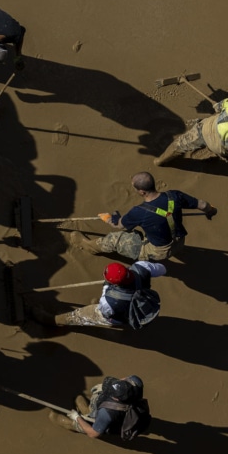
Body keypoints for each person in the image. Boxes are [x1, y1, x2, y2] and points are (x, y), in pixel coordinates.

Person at [69, 172, 218, 261]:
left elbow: (120, 225)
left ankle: (88, 247)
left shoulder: (139, 211)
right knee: (143, 232)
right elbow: (203, 204)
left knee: (115, 239)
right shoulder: (174, 195)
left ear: (142, 192)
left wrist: (108, 218)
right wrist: (210, 211)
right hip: (179, 242)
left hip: (159, 251)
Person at [30, 261, 165, 329]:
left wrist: (106, 286)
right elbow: (162, 269)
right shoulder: (141, 267)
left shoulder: (109, 300)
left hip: (114, 314)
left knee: (81, 315)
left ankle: (52, 320)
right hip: (142, 300)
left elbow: (104, 310)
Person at [49, 375, 146, 438]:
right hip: (134, 414)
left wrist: (77, 417)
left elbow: (93, 433)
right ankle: (88, 412)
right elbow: (124, 379)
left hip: (112, 421)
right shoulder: (135, 382)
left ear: (116, 399)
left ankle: (74, 423)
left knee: (89, 425)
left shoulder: (107, 412)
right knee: (91, 404)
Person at [155, 98, 228, 166]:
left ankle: (159, 161)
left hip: (205, 130)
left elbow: (220, 106)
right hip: (222, 148)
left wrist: (217, 106)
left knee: (179, 144)